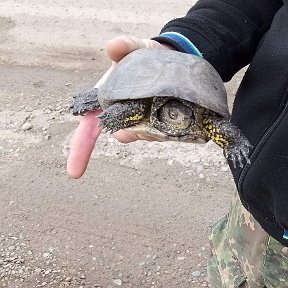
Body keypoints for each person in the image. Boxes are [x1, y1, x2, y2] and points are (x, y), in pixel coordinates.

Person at [67, 0, 288, 286]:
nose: (180, 118)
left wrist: (232, 141)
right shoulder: (144, 108)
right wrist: (186, 45)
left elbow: (219, 126)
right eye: (173, 114)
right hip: (259, 204)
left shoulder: (202, 119)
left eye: (183, 115)